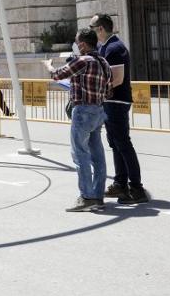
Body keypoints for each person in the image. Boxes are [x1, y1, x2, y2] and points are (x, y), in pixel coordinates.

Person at [46, 28, 111, 212]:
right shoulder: (103, 62)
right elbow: (109, 89)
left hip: (82, 110)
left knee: (80, 154)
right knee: (98, 156)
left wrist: (49, 66)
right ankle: (98, 195)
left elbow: (57, 75)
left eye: (76, 42)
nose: (76, 46)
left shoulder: (83, 60)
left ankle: (86, 197)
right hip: (98, 110)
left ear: (82, 44)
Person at [90, 14, 149, 204]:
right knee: (116, 144)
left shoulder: (115, 47)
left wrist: (98, 91)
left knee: (123, 144)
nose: (91, 31)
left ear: (100, 29)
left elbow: (117, 78)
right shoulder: (104, 46)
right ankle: (120, 184)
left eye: (92, 27)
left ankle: (136, 188)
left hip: (117, 102)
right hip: (109, 102)